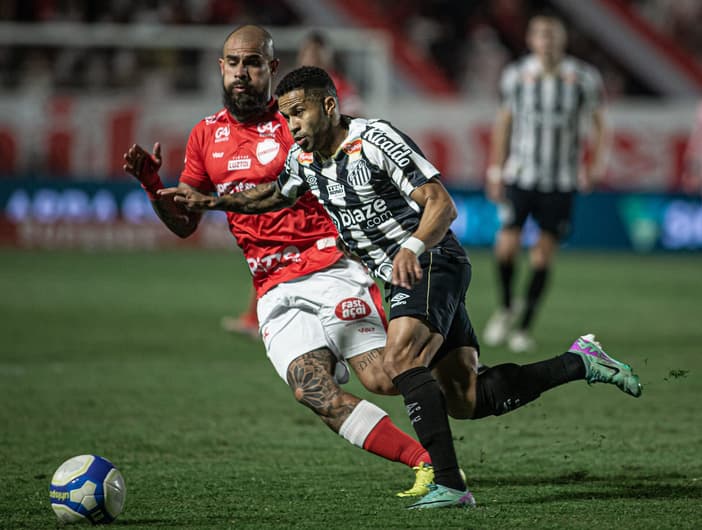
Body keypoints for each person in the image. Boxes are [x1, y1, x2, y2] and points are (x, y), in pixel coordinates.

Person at [165, 65, 642, 510]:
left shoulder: (375, 139)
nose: (292, 124)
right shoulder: (303, 160)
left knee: (398, 361)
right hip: (405, 273)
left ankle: (450, 484)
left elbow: (441, 204)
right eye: (286, 115)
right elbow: (272, 195)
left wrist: (411, 247)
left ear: (329, 106)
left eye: (299, 112)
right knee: (466, 397)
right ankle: (581, 361)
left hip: (433, 260)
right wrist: (209, 201)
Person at [123, 25, 437, 499]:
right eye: (233, 63)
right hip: (272, 288)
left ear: (272, 68)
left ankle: (471, 382)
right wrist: (153, 186)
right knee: (311, 392)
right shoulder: (205, 136)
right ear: (221, 68)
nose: (241, 73)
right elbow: (186, 223)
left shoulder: (298, 119)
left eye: (252, 63)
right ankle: (425, 462)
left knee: (384, 378)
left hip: (329, 267)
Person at [220, 31, 364, 338]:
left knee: (339, 246)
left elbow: (353, 126)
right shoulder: (290, 88)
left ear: (326, 57)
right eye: (307, 53)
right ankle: (257, 316)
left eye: (316, 54)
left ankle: (351, 313)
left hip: (326, 176)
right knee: (271, 241)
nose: (310, 59)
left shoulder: (340, 88)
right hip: (298, 173)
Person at [483, 15, 609, 353]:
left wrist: (593, 165)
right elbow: (504, 124)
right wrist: (495, 170)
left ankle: (523, 327)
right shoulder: (516, 75)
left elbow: (598, 124)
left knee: (542, 254)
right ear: (531, 39)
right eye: (541, 34)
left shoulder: (583, 77)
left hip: (561, 180)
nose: (547, 40)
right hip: (521, 175)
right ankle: (508, 306)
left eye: (553, 34)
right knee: (506, 246)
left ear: (563, 39)